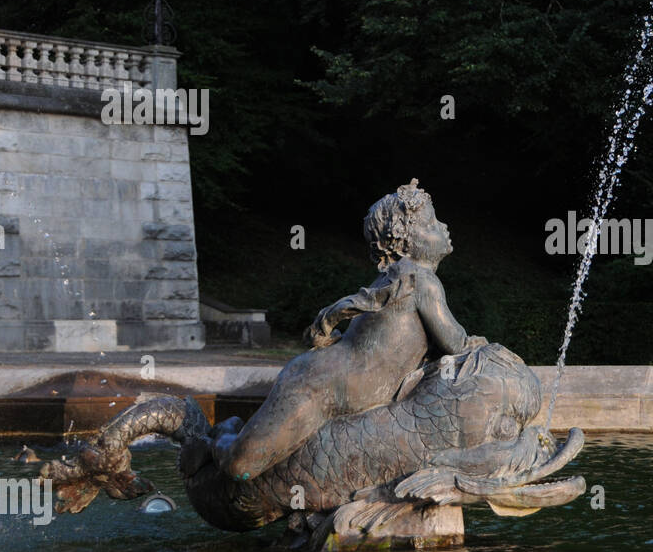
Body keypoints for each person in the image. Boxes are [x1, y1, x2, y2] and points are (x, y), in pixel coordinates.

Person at [208, 179, 485, 482]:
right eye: (431, 222)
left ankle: (237, 433)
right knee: (239, 467)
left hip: (324, 380)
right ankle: (220, 435)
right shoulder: (420, 282)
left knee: (251, 461)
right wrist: (482, 347)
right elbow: (457, 343)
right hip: (320, 388)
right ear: (404, 241)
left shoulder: (400, 279)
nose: (443, 226)